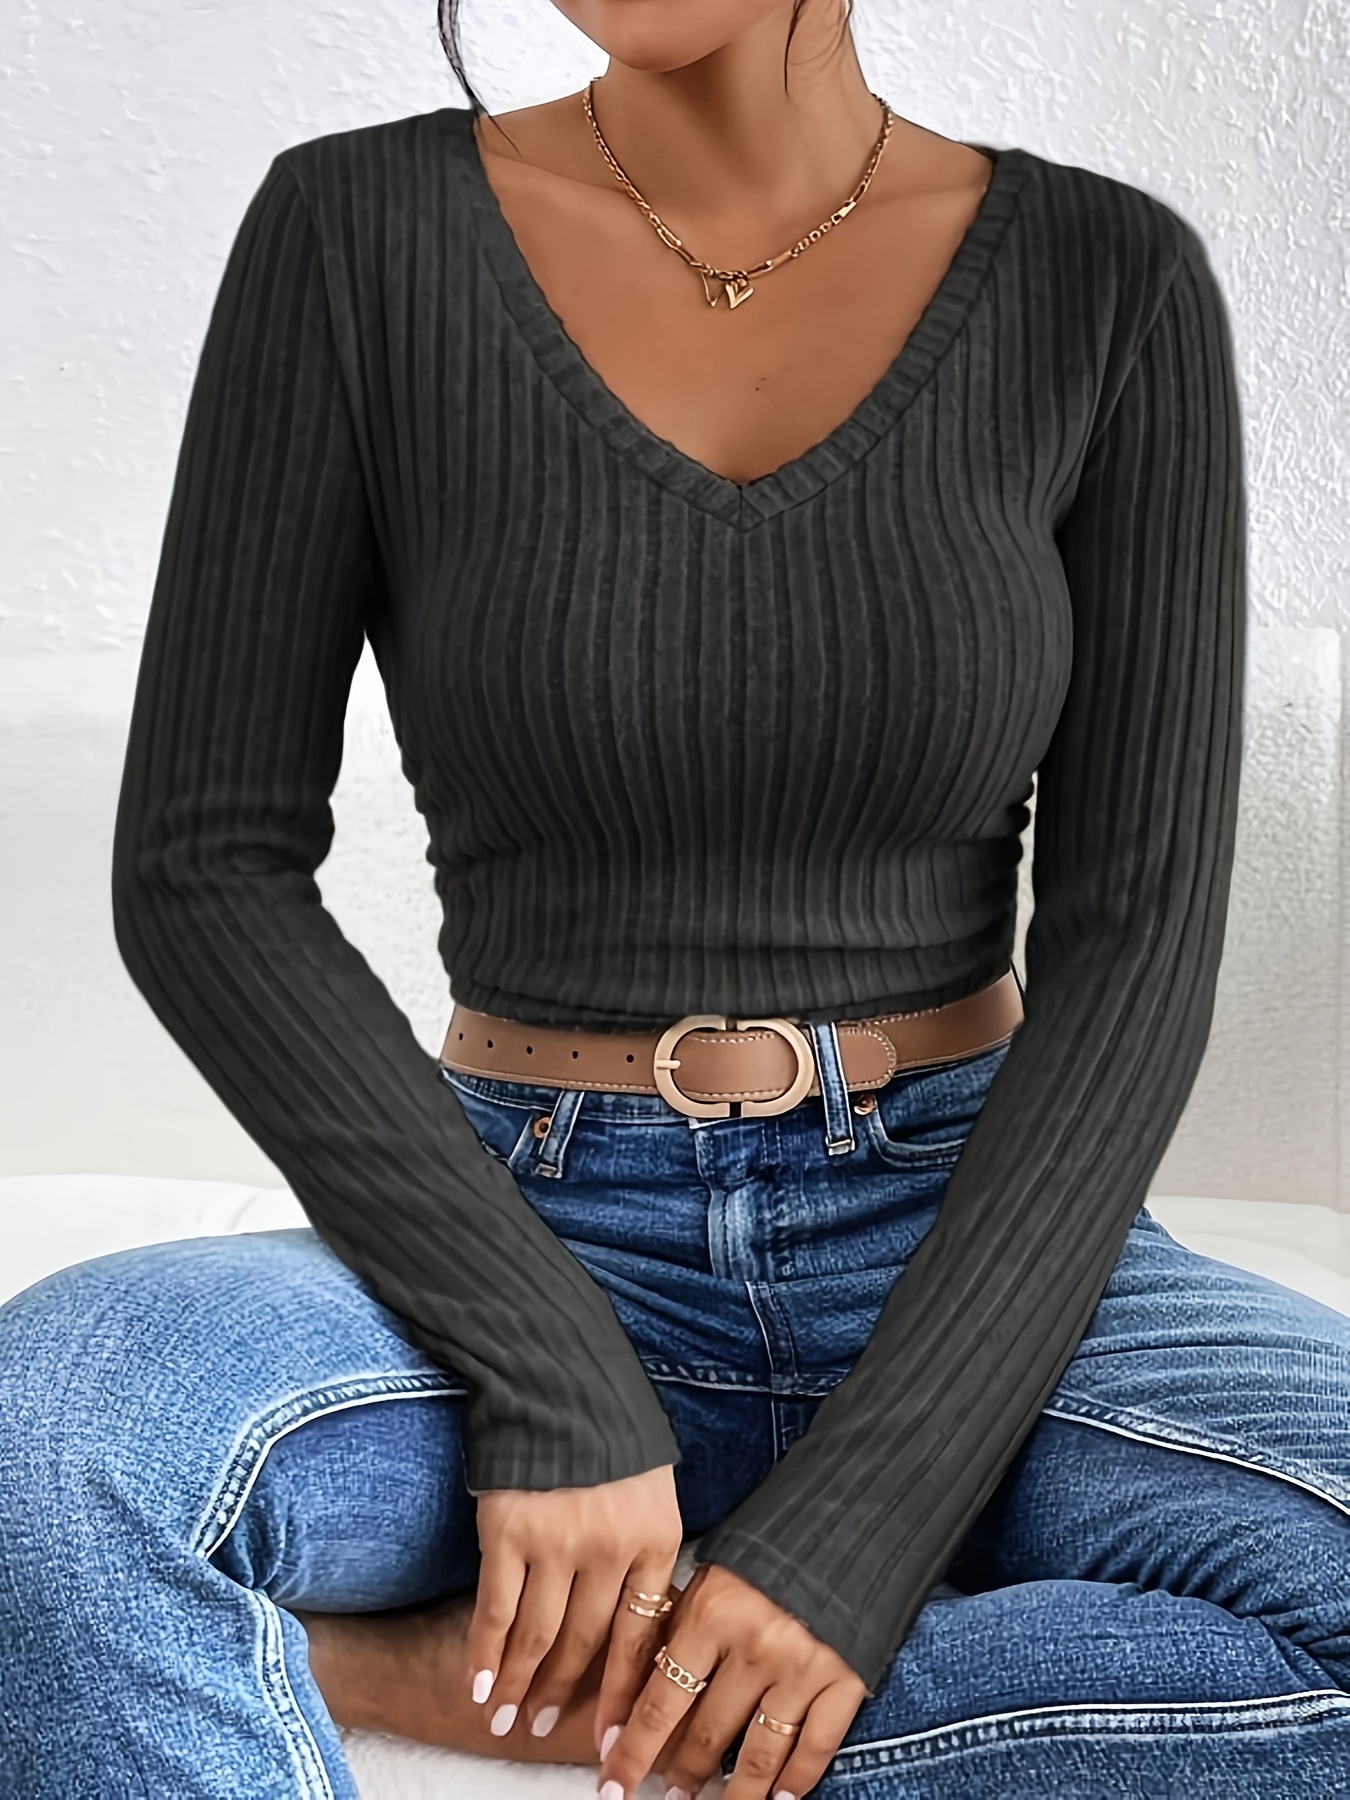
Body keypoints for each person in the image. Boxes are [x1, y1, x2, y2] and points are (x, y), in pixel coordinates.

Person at [2, 2, 1347, 1796]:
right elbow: (203, 867)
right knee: (44, 1446)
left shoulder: (1109, 278)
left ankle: (450, 1686)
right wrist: (545, 1367)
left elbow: (1137, 941)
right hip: (518, 1218)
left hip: (969, 1231)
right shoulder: (355, 233)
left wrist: (861, 1532)